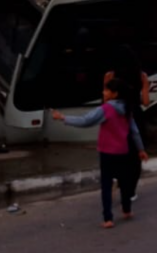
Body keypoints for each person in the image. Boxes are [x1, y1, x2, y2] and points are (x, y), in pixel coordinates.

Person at [52, 77, 148, 228]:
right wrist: (141, 150)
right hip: (123, 151)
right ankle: (127, 210)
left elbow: (85, 121)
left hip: (107, 152)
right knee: (124, 182)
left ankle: (108, 218)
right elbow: (134, 132)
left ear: (114, 94)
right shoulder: (127, 108)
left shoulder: (106, 109)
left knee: (106, 185)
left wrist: (63, 117)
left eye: (106, 90)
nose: (103, 92)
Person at [104, 45, 150, 202]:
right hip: (135, 114)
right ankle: (130, 191)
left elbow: (106, 100)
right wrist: (143, 88)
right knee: (135, 155)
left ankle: (118, 178)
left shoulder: (110, 76)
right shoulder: (141, 76)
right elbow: (145, 102)